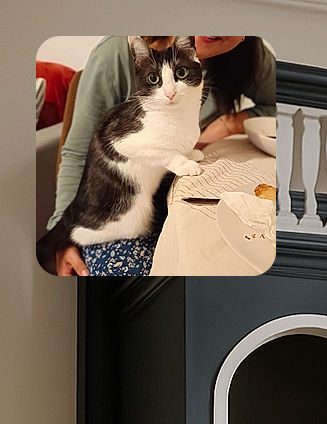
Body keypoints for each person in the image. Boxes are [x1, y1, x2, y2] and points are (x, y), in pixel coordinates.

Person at [47, 35, 276, 276]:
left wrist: (230, 124)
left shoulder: (249, 50)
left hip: (191, 190)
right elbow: (76, 153)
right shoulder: (116, 51)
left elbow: (288, 107)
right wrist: (62, 238)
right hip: (120, 205)